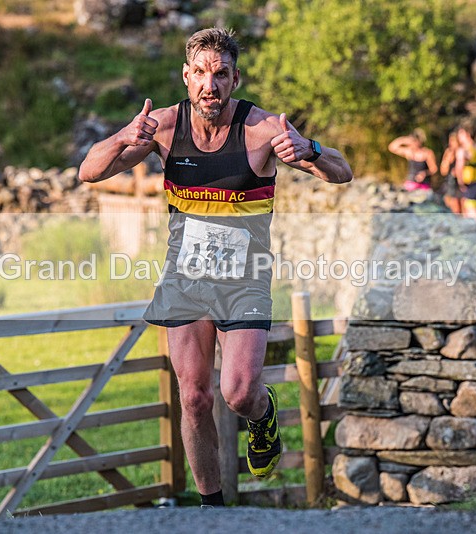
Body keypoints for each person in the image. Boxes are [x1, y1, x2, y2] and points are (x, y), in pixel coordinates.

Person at [78, 28, 352, 507]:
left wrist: (308, 149)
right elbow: (90, 171)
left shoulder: (261, 129)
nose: (211, 85)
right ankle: (212, 509)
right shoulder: (164, 127)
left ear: (234, 79)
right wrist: (124, 135)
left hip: (245, 280)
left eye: (221, 74)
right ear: (186, 76)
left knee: (239, 393)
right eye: (201, 74)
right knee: (193, 397)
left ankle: (262, 415)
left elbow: (342, 172)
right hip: (185, 278)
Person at [440, 129, 462, 214]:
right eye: (450, 141)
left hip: (460, 182)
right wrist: (446, 161)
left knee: (461, 205)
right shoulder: (448, 152)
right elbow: (443, 172)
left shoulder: (462, 151)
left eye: (453, 141)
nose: (451, 143)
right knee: (452, 205)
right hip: (450, 182)